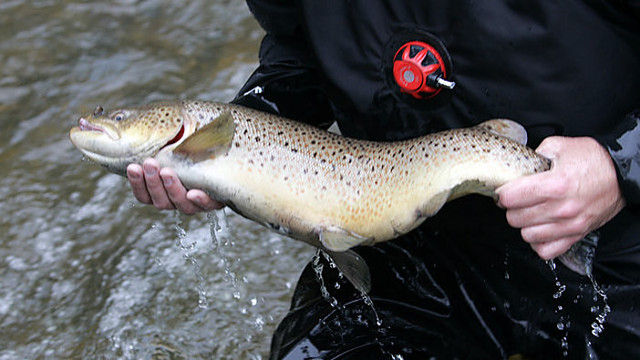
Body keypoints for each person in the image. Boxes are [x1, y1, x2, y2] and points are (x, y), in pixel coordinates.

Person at [127, 1, 640, 358]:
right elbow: (301, 53)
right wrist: (239, 144)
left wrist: (617, 167)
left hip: (622, 254)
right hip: (414, 255)